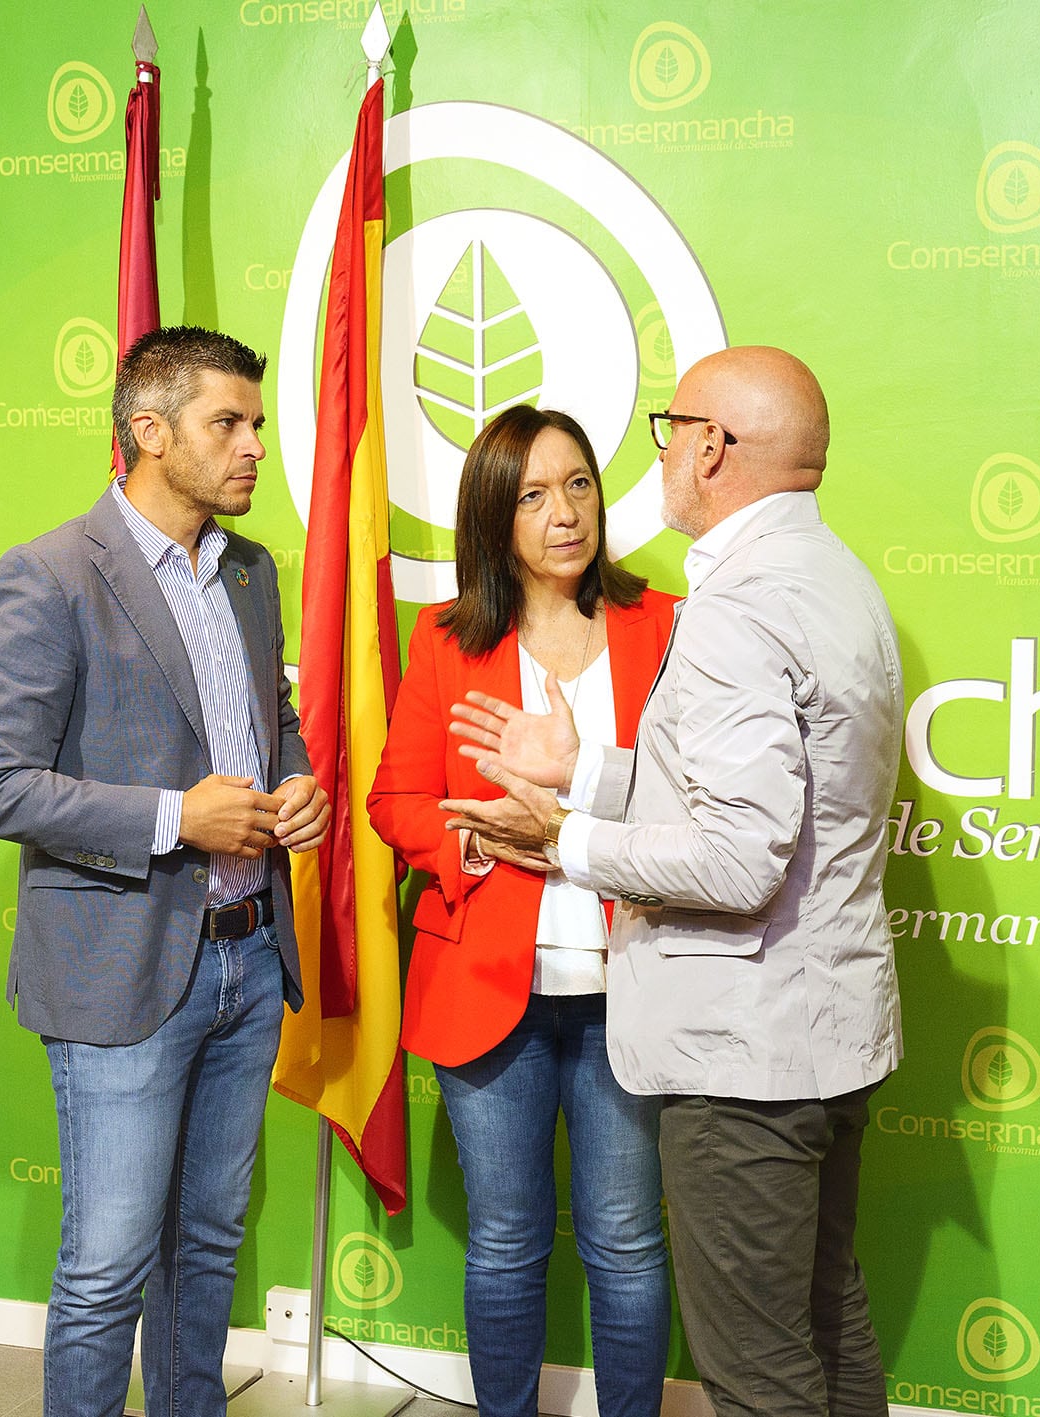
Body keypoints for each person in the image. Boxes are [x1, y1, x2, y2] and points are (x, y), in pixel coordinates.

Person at [443, 348, 905, 1417]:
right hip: (824, 1037)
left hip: (744, 1057)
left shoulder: (736, 609)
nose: (657, 454)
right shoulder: (833, 576)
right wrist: (593, 773)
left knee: (756, 1373)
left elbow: (740, 857)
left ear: (712, 446)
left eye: (669, 427)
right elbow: (753, 791)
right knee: (826, 1326)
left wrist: (565, 837)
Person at [0, 325, 331, 1417]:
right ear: (147, 432)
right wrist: (179, 816)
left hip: (249, 960)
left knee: (207, 1243)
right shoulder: (50, 575)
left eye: (256, 422)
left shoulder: (251, 570)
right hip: (121, 972)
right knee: (107, 1264)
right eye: (229, 423)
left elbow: (275, 717)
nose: (254, 445)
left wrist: (294, 781)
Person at [367, 405, 678, 1417]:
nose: (562, 513)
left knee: (625, 1239)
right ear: (493, 517)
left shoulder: (663, 626)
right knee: (505, 1241)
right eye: (533, 494)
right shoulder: (448, 640)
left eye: (578, 484)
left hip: (626, 992)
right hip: (483, 990)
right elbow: (394, 800)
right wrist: (474, 837)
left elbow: (696, 801)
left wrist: (574, 807)